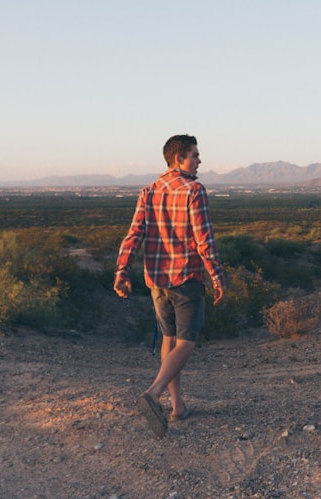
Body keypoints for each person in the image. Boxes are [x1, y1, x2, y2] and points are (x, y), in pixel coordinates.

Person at [114, 134, 227, 436]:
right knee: (186, 342)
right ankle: (153, 393)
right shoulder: (194, 190)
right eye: (194, 155)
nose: (199, 160)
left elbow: (133, 234)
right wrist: (217, 277)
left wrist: (122, 270)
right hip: (186, 278)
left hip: (156, 281)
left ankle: (178, 406)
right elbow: (204, 240)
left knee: (169, 339)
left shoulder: (148, 191)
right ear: (178, 159)